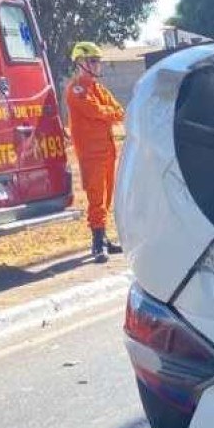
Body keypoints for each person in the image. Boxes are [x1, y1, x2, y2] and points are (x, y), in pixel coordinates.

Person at [63, 41, 124, 263]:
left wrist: (107, 112)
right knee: (96, 198)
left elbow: (119, 111)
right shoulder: (77, 89)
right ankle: (97, 242)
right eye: (93, 61)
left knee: (107, 197)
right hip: (91, 153)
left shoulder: (98, 89)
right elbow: (94, 110)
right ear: (81, 63)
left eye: (98, 61)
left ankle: (105, 238)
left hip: (108, 150)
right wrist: (108, 112)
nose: (98, 65)